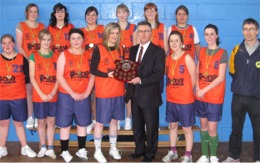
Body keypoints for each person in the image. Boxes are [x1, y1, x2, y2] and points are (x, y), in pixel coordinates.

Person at [125, 21, 165, 162]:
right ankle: (139, 150)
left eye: (146, 31)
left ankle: (150, 154)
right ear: (137, 33)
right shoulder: (133, 49)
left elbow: (159, 74)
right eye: (140, 31)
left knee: (151, 127)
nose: (143, 34)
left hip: (149, 96)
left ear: (150, 33)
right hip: (134, 94)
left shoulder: (158, 51)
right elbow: (129, 69)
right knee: (137, 126)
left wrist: (140, 80)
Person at [224, 18, 260, 162]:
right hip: (238, 97)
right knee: (236, 129)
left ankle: (258, 158)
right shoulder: (236, 50)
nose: (248, 32)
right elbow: (232, 71)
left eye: (251, 29)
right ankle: (234, 156)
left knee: (258, 131)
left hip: (256, 98)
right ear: (242, 31)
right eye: (245, 29)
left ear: (257, 31)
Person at [56, 28, 94, 162]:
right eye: (73, 38)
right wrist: (72, 93)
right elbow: (59, 76)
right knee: (65, 124)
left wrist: (87, 92)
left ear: (83, 39)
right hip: (66, 95)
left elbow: (92, 76)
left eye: (78, 38)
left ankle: (81, 149)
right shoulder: (64, 54)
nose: (76, 41)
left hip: (83, 94)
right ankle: (64, 151)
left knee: (82, 124)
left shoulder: (89, 54)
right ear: (69, 40)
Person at [90, 22, 125, 162]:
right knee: (100, 123)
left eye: (117, 33)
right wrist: (107, 75)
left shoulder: (120, 49)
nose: (115, 36)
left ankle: (113, 147)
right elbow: (93, 70)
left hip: (118, 90)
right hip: (104, 92)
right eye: (112, 33)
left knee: (114, 122)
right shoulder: (99, 49)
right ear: (107, 33)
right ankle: (97, 151)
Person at [0, 34, 37, 158]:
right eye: (4, 43)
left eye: (9, 43)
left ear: (14, 44)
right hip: (2, 97)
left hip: (18, 97)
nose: (7, 45)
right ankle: (2, 147)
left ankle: (24, 147)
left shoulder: (22, 58)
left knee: (19, 123)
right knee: (3, 123)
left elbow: (28, 79)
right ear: (1, 45)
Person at [195, 24, 228, 163]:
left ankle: (213, 156)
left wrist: (204, 90)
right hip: (201, 96)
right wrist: (197, 88)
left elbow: (221, 77)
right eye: (206, 34)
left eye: (212, 34)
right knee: (203, 126)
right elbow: (197, 71)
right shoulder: (202, 51)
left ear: (217, 35)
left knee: (212, 128)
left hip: (214, 97)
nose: (209, 37)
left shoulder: (222, 53)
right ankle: (204, 155)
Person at [162, 31, 196, 163]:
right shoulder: (168, 59)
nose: (174, 43)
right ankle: (173, 151)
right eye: (171, 41)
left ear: (181, 43)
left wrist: (186, 92)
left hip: (185, 101)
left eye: (177, 40)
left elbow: (193, 79)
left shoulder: (187, 58)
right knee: (173, 126)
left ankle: (188, 155)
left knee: (187, 128)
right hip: (171, 99)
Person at [29, 29, 58, 159]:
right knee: (41, 123)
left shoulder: (56, 56)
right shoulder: (33, 56)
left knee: (51, 122)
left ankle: (50, 147)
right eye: (44, 39)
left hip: (53, 95)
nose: (46, 42)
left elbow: (59, 77)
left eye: (48, 39)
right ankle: (43, 146)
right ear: (39, 41)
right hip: (39, 95)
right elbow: (32, 77)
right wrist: (41, 94)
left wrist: (52, 93)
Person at [16, 3, 45, 129]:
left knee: (40, 89)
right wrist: (30, 60)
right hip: (27, 61)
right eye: (31, 11)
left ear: (38, 14)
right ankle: (30, 116)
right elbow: (19, 46)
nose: (33, 14)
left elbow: (45, 44)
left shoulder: (42, 26)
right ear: (26, 13)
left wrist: (38, 59)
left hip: (41, 62)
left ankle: (39, 116)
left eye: (35, 12)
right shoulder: (21, 25)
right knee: (29, 91)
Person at [81, 6, 104, 134]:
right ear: (85, 17)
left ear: (97, 16)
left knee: (95, 96)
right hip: (83, 67)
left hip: (98, 68)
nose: (91, 17)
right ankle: (87, 121)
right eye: (88, 15)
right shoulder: (80, 31)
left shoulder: (102, 29)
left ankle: (95, 120)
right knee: (85, 97)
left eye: (93, 15)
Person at [116, 3, 137, 130]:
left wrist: (133, 65)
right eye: (119, 12)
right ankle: (118, 118)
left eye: (124, 12)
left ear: (128, 14)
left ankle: (128, 118)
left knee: (129, 93)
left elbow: (135, 47)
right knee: (118, 92)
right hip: (117, 64)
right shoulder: (113, 27)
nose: (122, 15)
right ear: (116, 14)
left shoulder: (134, 28)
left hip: (129, 65)